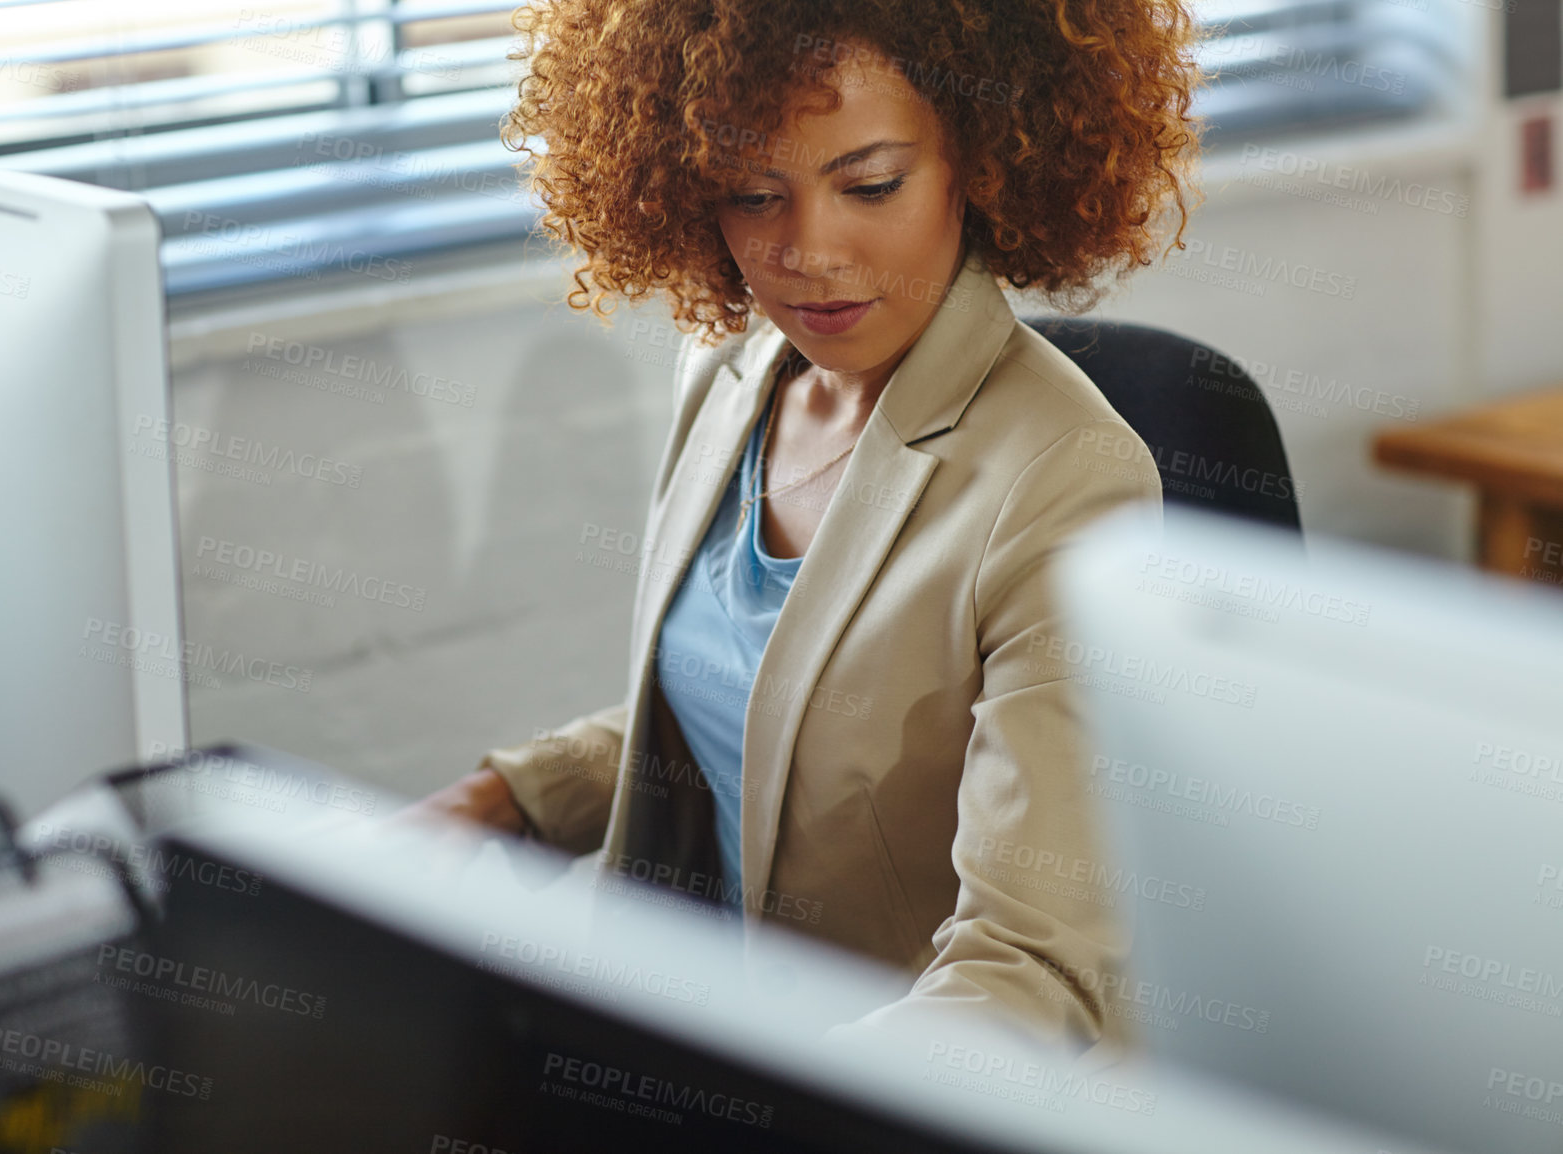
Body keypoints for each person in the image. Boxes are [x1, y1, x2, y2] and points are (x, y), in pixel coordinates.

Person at [408, 0, 1199, 1056]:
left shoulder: (1065, 477)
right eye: (751, 195)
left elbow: (1032, 962)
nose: (805, 252)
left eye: (869, 184)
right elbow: (758, 704)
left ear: (979, 158)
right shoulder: (732, 373)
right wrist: (499, 796)